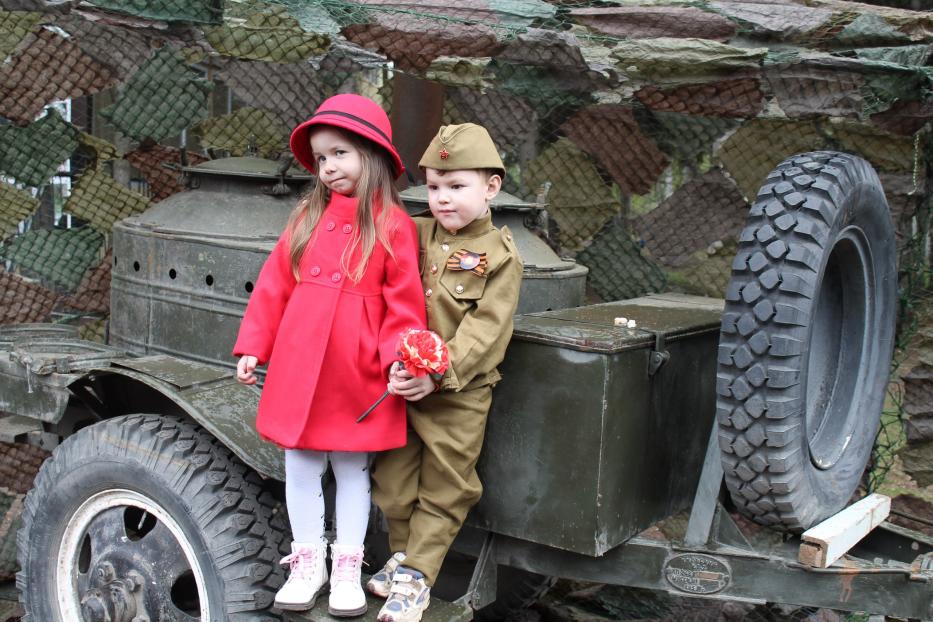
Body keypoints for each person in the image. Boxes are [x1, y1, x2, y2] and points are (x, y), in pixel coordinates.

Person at [233, 94, 425, 616]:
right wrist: (254, 344)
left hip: (355, 369)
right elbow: (274, 285)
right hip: (299, 363)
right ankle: (306, 559)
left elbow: (403, 305)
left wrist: (398, 359)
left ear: (374, 154)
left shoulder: (393, 225)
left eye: (340, 153)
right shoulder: (306, 216)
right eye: (321, 159)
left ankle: (347, 566)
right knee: (299, 462)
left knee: (351, 467)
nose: (329, 167)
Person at [369, 123, 523, 622]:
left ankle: (418, 576)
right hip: (401, 385)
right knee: (392, 480)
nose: (441, 199)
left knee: (447, 485)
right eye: (434, 186)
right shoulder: (412, 232)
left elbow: (486, 330)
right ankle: (401, 556)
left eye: (456, 187)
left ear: (491, 187)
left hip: (459, 394)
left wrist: (438, 374)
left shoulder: (500, 256)